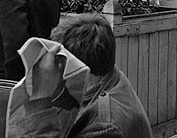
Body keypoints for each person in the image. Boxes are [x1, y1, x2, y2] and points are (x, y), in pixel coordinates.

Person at [16, 14, 152, 138]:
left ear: (76, 69)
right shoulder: (106, 73)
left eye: (59, 63)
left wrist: (38, 102)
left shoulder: (105, 127)